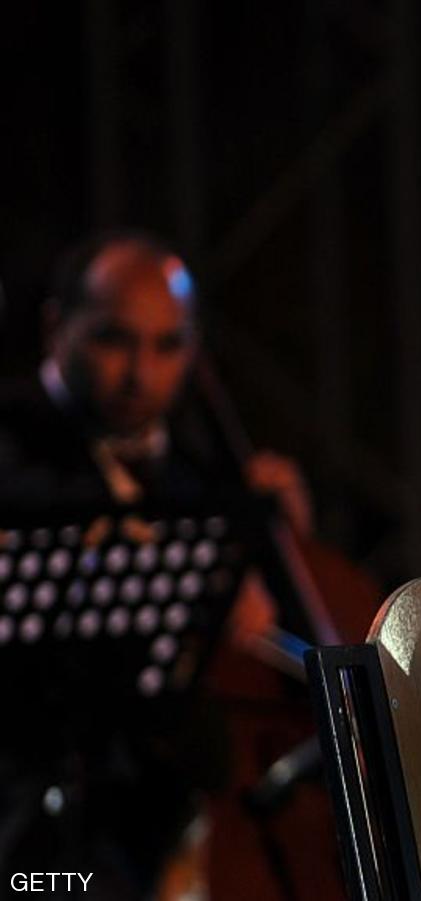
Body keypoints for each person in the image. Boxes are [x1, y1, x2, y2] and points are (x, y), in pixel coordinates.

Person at [0, 232, 339, 898]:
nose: (140, 373)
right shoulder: (13, 446)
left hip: (148, 828)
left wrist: (280, 550)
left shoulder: (198, 479)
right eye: (112, 340)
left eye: (167, 346)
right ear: (55, 327)